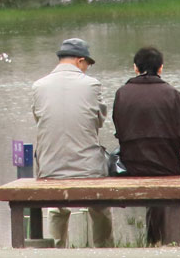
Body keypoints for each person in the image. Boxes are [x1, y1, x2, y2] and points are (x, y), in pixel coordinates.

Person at [32, 37, 113, 248]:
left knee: (56, 207)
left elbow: (39, 119)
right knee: (100, 204)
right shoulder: (92, 85)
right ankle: (104, 248)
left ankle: (57, 247)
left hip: (50, 167)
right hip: (88, 168)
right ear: (80, 60)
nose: (87, 69)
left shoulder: (39, 86)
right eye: (87, 64)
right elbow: (98, 122)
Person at [112, 46, 180, 245]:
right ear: (161, 68)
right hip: (167, 165)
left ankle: (153, 239)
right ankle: (162, 240)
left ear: (135, 67)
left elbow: (120, 131)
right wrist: (166, 150)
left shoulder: (122, 93)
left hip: (132, 166)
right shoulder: (173, 94)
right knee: (164, 185)